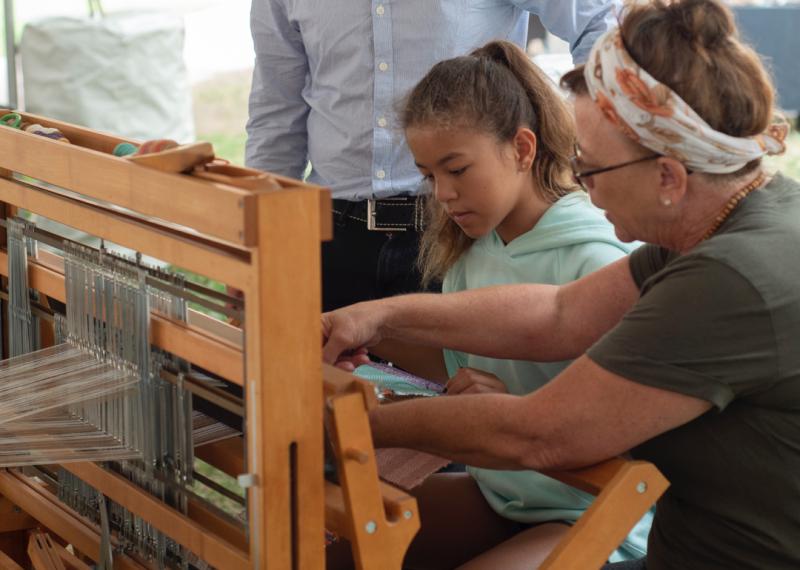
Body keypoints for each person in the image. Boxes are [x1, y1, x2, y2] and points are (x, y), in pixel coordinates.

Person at [322, 1, 796, 569]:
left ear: (669, 177)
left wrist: (346, 426)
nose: (582, 187)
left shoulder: (727, 276)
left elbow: (538, 434)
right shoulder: (732, 219)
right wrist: (375, 317)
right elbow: (558, 314)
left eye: (591, 168)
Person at [334, 40, 648, 569]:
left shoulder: (597, 260)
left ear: (522, 150)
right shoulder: (474, 250)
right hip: (507, 494)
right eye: (430, 175)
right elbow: (467, 368)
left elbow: (624, 424)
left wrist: (508, 413)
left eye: (457, 169)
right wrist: (374, 344)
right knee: (327, 545)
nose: (443, 193)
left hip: (596, 509)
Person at [246, 0, 621, 311]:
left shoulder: (592, 255)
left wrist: (572, 134)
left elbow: (603, 26)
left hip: (460, 236)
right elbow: (276, 110)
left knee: (457, 389)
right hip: (327, 234)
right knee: (322, 385)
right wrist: (256, 240)